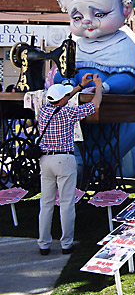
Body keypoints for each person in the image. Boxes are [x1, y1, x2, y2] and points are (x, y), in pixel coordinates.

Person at [37, 75, 103, 255]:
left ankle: (44, 243)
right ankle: (66, 243)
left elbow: (63, 98)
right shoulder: (69, 113)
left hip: (45, 160)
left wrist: (81, 85)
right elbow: (95, 104)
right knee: (66, 203)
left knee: (46, 203)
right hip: (64, 160)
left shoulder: (43, 110)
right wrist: (97, 86)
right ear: (63, 99)